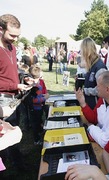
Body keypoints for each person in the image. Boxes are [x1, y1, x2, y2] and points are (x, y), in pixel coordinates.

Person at [0, 14, 32, 171]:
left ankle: (16, 160)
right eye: (12, 35)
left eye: (18, 36)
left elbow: (12, 70)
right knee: (4, 137)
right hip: (2, 101)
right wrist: (15, 85)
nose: (15, 39)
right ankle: (8, 166)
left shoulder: (12, 48)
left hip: (13, 98)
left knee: (14, 131)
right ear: (1, 29)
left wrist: (24, 77)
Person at [75, 71, 109, 148]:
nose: (96, 88)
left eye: (98, 85)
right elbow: (94, 119)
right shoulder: (103, 99)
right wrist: (83, 103)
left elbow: (105, 142)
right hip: (100, 146)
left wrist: (90, 127)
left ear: (107, 89)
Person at [80, 37, 107, 109]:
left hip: (96, 107)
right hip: (90, 104)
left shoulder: (99, 67)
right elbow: (91, 78)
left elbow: (102, 89)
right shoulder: (92, 64)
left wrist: (85, 91)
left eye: (82, 50)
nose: (81, 53)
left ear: (86, 51)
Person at [28, 65, 49, 145]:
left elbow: (44, 89)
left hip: (41, 106)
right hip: (34, 108)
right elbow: (34, 100)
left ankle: (40, 130)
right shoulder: (33, 86)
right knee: (35, 123)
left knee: (40, 119)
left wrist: (45, 93)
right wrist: (45, 98)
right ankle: (36, 139)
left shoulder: (41, 81)